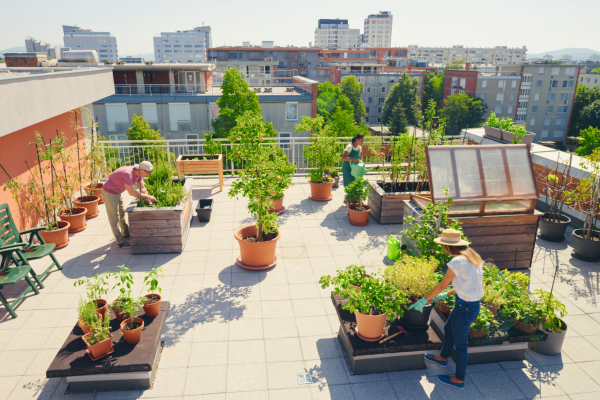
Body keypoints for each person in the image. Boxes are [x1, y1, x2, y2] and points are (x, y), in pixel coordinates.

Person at [409, 228, 484, 389]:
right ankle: (443, 358)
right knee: (448, 327)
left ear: (448, 247)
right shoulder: (472, 256)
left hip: (465, 307)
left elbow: (442, 284)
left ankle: (459, 379)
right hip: (470, 305)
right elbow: (467, 283)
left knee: (461, 345)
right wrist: (447, 295)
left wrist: (424, 300)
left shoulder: (457, 261)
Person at [101, 161, 157, 248]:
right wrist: (149, 197)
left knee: (122, 214)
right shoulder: (127, 174)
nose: (149, 175)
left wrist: (148, 201)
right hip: (109, 193)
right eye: (148, 173)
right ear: (142, 170)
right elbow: (132, 193)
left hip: (117, 192)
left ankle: (126, 233)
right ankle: (120, 241)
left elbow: (142, 188)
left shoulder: (139, 174)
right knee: (114, 217)